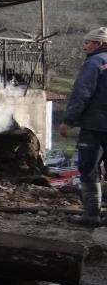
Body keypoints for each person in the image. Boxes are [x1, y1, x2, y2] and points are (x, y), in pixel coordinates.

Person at [58, 26, 107, 227]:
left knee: (89, 168)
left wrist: (69, 120)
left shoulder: (95, 62)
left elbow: (82, 93)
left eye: (88, 43)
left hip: (96, 126)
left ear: (99, 43)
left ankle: (91, 215)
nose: (84, 47)